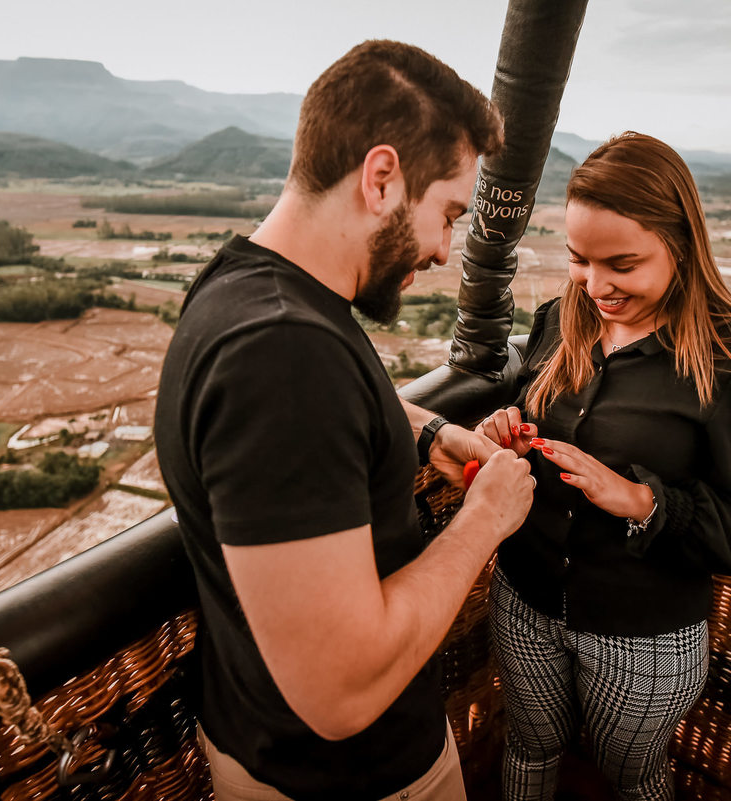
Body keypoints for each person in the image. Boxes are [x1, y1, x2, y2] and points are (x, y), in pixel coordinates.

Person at [154, 40, 536, 801]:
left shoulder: (249, 292)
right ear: (382, 177)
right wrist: (485, 519)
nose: (441, 249)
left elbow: (332, 413)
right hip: (350, 778)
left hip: (270, 747)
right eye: (448, 214)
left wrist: (428, 435)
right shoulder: (282, 354)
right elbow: (341, 689)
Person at [478, 132, 731, 801]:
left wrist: (642, 501)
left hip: (645, 633)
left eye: (622, 264)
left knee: (634, 774)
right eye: (578, 258)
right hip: (524, 598)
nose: (595, 284)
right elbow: (528, 416)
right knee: (529, 743)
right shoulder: (558, 320)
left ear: (680, 243)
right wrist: (506, 432)